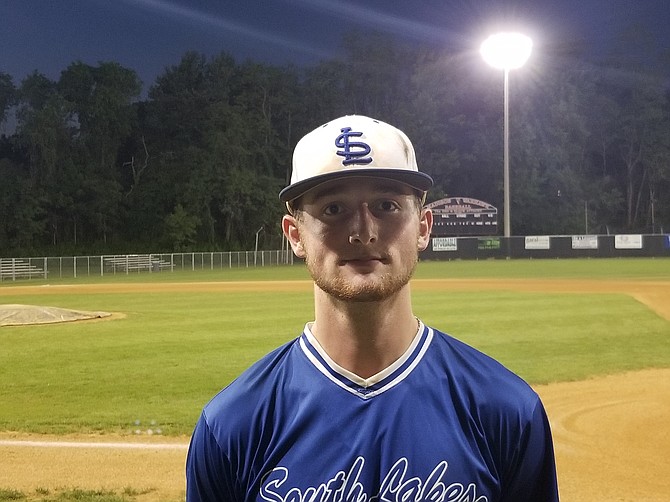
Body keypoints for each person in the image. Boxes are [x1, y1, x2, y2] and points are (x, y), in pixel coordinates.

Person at [186, 115, 559, 502]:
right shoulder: (233, 424)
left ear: (424, 228)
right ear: (295, 236)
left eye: (386, 205)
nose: (363, 231)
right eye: (333, 209)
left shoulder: (506, 410)